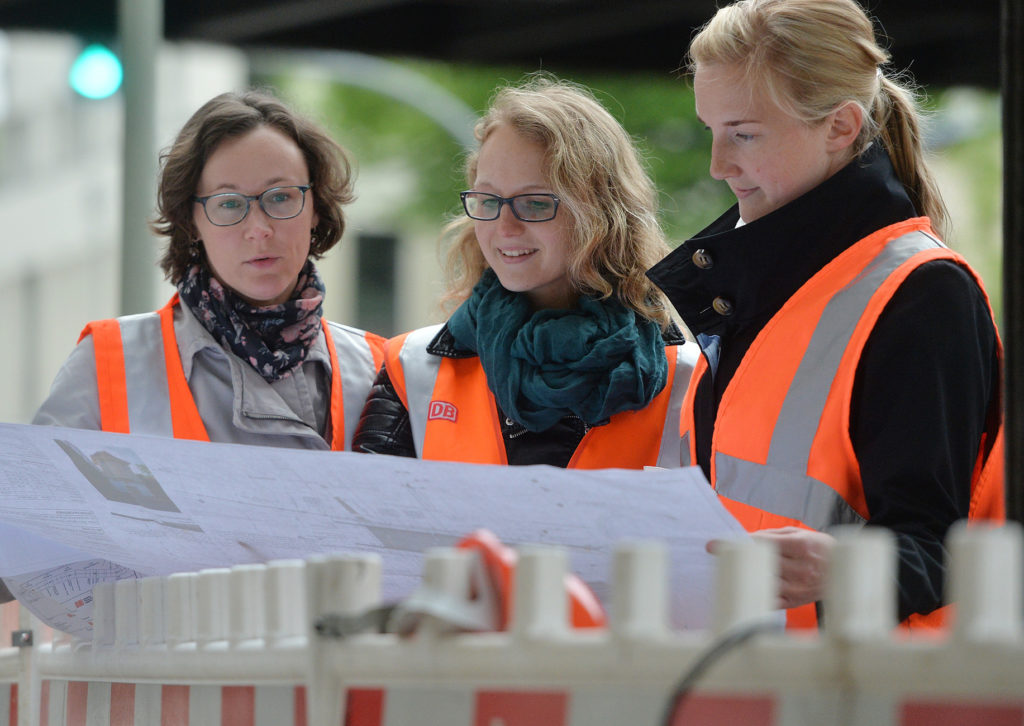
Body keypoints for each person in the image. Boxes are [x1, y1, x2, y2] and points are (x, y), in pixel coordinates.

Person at [646, 0, 1004, 628]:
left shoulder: (922, 293)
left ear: (840, 127)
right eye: (711, 130)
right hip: (742, 682)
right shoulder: (754, 285)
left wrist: (842, 569)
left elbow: (954, 551)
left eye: (744, 133)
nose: (717, 164)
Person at [354, 76, 697, 468]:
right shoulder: (412, 368)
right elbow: (370, 524)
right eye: (488, 199)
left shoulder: (687, 378)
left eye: (534, 203)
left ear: (602, 214)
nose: (504, 227)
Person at [33, 90, 384, 450]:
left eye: (281, 196)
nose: (259, 229)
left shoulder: (381, 369)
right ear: (192, 222)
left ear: (316, 209)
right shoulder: (108, 364)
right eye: (229, 203)